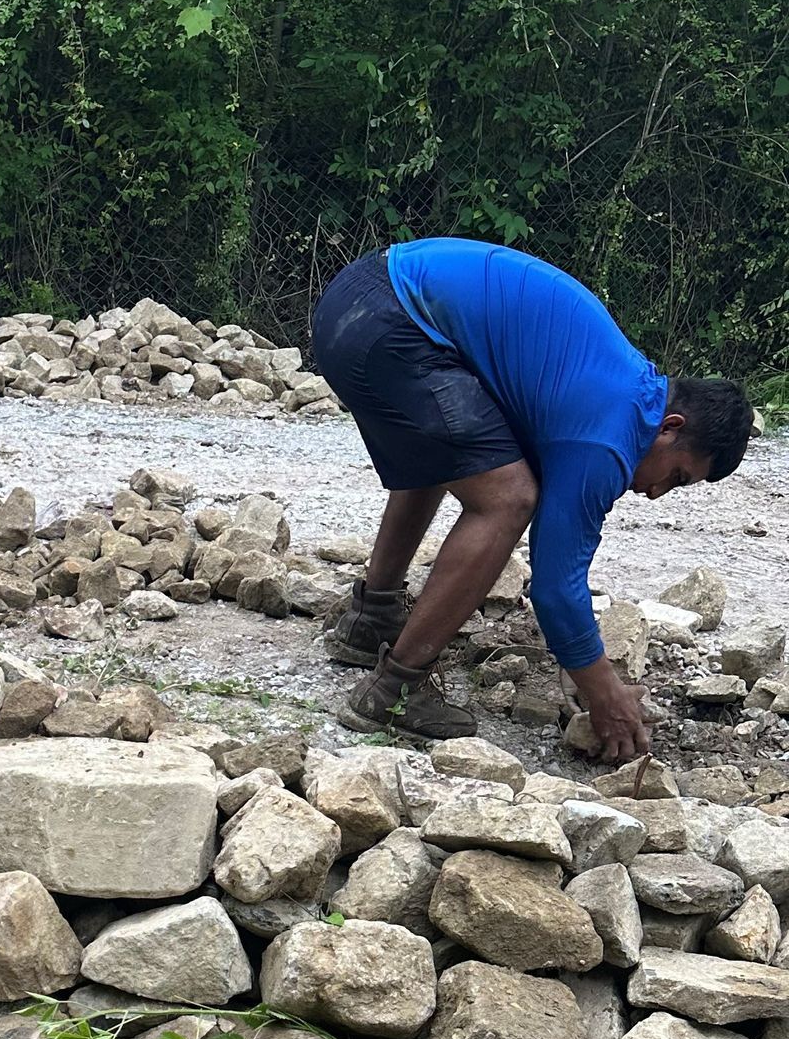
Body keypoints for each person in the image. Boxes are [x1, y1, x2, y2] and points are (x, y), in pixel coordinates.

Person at [310, 239, 752, 758]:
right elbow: (556, 590)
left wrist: (578, 661)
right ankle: (395, 692)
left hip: (354, 299)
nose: (655, 494)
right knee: (508, 497)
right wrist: (603, 692)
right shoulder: (607, 437)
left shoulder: (622, 387)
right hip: (391, 323)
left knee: (449, 449)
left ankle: (371, 620)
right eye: (676, 476)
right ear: (669, 428)